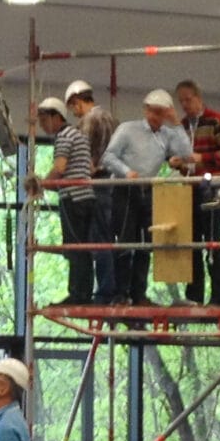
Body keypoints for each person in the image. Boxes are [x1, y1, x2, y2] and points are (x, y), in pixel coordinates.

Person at [96, 89, 197, 305]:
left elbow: (187, 154)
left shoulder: (167, 135)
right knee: (125, 241)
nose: (155, 117)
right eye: (152, 111)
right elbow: (108, 157)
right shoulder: (127, 129)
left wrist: (175, 122)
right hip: (125, 189)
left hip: (149, 189)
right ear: (145, 110)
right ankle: (121, 293)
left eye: (160, 113)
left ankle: (138, 293)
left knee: (146, 242)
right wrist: (126, 172)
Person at [29, 97, 97, 307]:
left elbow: (60, 168)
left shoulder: (64, 137)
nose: (42, 125)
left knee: (75, 247)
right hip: (85, 197)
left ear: (56, 117)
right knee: (82, 247)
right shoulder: (78, 135)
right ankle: (82, 293)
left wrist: (40, 184)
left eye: (44, 120)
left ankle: (78, 294)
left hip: (73, 198)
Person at [173, 82, 220, 305]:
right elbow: (185, 162)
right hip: (189, 187)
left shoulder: (217, 120)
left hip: (212, 187)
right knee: (192, 243)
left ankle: (217, 297)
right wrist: (178, 163)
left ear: (198, 97)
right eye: (181, 101)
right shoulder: (182, 126)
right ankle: (194, 296)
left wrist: (202, 158)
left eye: (188, 99)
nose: (184, 105)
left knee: (212, 242)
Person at [64, 81, 118, 304]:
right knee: (107, 238)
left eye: (73, 108)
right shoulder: (112, 119)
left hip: (95, 185)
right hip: (113, 184)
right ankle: (109, 289)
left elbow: (83, 156)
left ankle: (102, 291)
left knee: (95, 240)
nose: (74, 113)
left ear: (77, 102)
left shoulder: (88, 121)